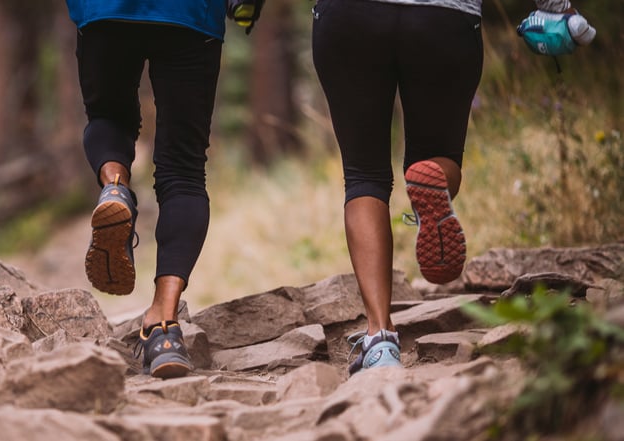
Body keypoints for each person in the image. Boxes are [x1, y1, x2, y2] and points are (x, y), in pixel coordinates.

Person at [310, 0, 589, 374]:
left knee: (364, 176)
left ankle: (379, 340)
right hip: (444, 19)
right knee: (438, 155)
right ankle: (434, 177)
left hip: (350, 18)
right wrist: (556, 8)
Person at [64, 1, 246, 379]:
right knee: (184, 169)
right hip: (191, 15)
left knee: (108, 117)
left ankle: (115, 186)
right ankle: (163, 327)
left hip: (105, 10)